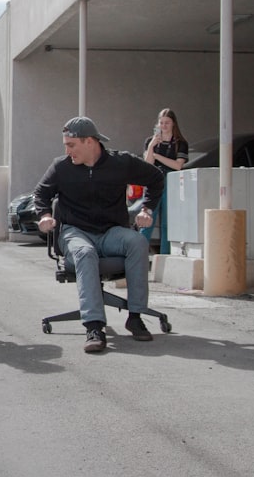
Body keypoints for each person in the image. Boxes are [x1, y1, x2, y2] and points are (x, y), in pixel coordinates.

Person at [33, 116, 164, 353]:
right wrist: (43, 215)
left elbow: (156, 178)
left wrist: (147, 209)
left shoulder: (120, 163)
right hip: (75, 232)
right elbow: (41, 193)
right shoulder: (61, 167)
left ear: (90, 142)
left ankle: (135, 317)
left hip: (111, 232)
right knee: (85, 252)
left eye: (71, 145)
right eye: (65, 145)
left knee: (136, 242)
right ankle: (94, 326)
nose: (67, 150)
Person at [142, 108, 189, 254]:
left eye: (167, 123)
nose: (164, 126)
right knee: (147, 218)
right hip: (154, 181)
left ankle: (165, 255)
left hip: (171, 182)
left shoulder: (180, 143)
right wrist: (151, 147)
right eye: (161, 123)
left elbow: (178, 165)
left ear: (173, 124)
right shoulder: (151, 141)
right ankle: (138, 252)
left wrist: (157, 156)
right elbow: (148, 164)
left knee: (167, 222)